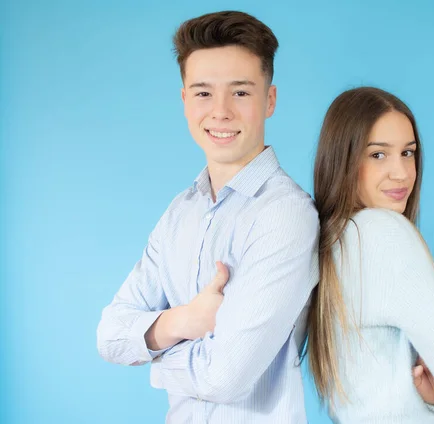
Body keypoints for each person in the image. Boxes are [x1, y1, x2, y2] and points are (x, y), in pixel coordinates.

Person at [96, 11, 319, 423]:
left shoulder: (286, 216)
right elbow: (109, 335)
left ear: (269, 100)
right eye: (203, 93)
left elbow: (225, 378)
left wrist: (155, 348)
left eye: (240, 93)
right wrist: (187, 319)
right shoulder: (180, 212)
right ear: (184, 101)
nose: (220, 112)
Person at [307, 87, 434, 423]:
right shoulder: (381, 234)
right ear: (343, 159)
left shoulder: (331, 241)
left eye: (408, 153)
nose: (401, 173)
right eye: (378, 155)